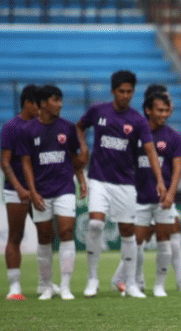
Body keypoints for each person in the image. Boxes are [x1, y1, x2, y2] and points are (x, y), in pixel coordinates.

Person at [110, 85, 181, 294]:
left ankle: (173, 280)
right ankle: (129, 279)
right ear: (149, 108)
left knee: (169, 230)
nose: (168, 109)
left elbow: (173, 161)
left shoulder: (171, 136)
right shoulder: (137, 132)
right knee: (141, 238)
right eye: (162, 106)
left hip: (161, 195)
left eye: (167, 106)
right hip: (138, 194)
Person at [77, 70, 166, 298]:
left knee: (127, 232)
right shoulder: (98, 111)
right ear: (113, 91)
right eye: (121, 91)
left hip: (125, 183)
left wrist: (159, 180)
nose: (125, 95)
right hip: (98, 179)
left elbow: (150, 151)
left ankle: (131, 283)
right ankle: (92, 279)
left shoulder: (137, 120)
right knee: (95, 225)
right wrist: (83, 148)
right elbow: (79, 127)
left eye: (129, 91)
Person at [17, 85, 88, 300]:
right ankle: (47, 286)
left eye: (60, 100)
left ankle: (65, 286)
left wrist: (82, 180)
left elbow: (74, 158)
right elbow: (26, 163)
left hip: (64, 188)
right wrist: (32, 191)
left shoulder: (67, 127)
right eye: (55, 100)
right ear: (43, 103)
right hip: (41, 191)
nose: (60, 104)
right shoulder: (28, 130)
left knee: (66, 232)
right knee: (44, 237)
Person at [2, 84, 39, 300]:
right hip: (16, 190)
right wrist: (19, 188)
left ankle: (45, 283)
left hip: (40, 190)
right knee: (15, 236)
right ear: (28, 103)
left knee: (47, 235)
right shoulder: (11, 127)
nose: (41, 109)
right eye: (38, 104)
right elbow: (5, 163)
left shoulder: (41, 126)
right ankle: (14, 288)